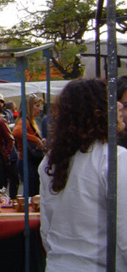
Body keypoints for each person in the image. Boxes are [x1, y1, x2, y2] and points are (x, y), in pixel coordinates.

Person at [39, 78, 127, 271]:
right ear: (99, 111)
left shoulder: (51, 160)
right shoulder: (114, 158)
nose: (120, 106)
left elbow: (46, 228)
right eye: (112, 100)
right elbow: (125, 232)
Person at [12, 94, 45, 197]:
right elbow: (17, 132)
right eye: (37, 106)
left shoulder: (30, 121)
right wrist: (36, 140)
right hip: (27, 161)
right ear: (29, 107)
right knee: (32, 193)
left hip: (29, 161)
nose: (39, 109)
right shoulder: (24, 121)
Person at [0, 94, 19, 198]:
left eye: (1, 102)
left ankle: (12, 199)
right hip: (0, 157)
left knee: (11, 181)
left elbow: (10, 139)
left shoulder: (1, 120)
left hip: (8, 157)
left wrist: (5, 153)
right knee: (1, 184)